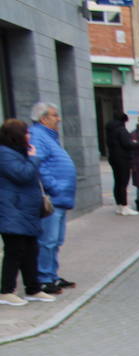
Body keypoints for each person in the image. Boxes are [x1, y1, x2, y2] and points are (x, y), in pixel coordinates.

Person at [0, 118, 55, 306]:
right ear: (16, 135)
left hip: (26, 211)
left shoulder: (19, 152)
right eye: (26, 132)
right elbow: (22, 174)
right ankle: (6, 291)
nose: (29, 135)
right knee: (14, 251)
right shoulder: (4, 154)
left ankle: (33, 289)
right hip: (12, 210)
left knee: (31, 250)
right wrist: (33, 158)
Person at [28, 102, 77, 295]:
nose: (59, 119)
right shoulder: (37, 135)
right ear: (44, 118)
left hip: (60, 198)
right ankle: (44, 278)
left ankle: (52, 275)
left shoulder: (49, 136)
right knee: (47, 240)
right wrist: (54, 188)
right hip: (53, 198)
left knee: (55, 240)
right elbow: (38, 166)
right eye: (55, 115)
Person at [105, 111, 136, 216]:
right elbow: (127, 144)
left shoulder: (110, 129)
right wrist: (134, 143)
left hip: (113, 158)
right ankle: (124, 206)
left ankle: (119, 205)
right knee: (123, 183)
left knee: (117, 182)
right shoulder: (121, 130)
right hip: (123, 159)